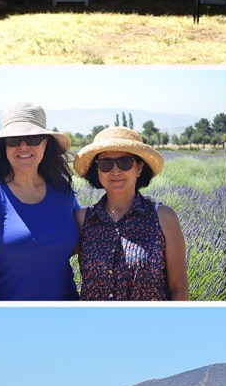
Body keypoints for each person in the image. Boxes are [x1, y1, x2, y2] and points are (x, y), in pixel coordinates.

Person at [0, 103, 83, 301]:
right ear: (4, 146)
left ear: (45, 143)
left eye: (33, 138)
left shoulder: (60, 187)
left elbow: (76, 236)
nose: (23, 146)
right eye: (14, 139)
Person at [74, 127, 189, 301]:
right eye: (106, 164)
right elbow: (48, 255)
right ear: (97, 171)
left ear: (139, 168)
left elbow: (178, 289)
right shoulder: (83, 219)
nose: (115, 171)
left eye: (125, 162)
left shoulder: (164, 218)